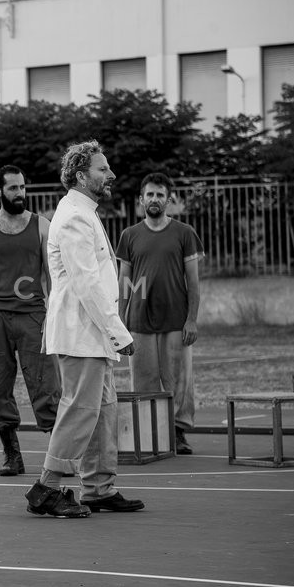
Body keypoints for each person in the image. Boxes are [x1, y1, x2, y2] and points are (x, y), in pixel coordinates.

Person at [25, 140, 144, 518]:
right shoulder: (74, 216)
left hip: (91, 333)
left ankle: (98, 488)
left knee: (103, 412)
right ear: (80, 176)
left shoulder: (83, 212)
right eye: (102, 169)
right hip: (81, 333)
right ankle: (46, 488)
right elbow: (86, 284)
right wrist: (118, 332)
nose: (111, 175)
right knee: (80, 410)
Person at [0, 165, 60, 476]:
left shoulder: (42, 226)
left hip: (33, 316)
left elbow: (53, 275)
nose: (20, 193)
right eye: (13, 188)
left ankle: (59, 456)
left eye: (22, 187)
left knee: (47, 386)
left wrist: (54, 314)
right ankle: (12, 455)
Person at [116, 173, 204, 455]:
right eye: (150, 195)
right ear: (141, 200)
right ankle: (149, 434)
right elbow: (124, 282)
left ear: (169, 200)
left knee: (179, 380)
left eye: (160, 195)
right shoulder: (129, 235)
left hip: (176, 319)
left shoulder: (184, 233)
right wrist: (120, 321)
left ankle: (178, 432)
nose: (155, 199)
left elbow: (193, 281)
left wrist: (192, 319)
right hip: (139, 320)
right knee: (143, 381)